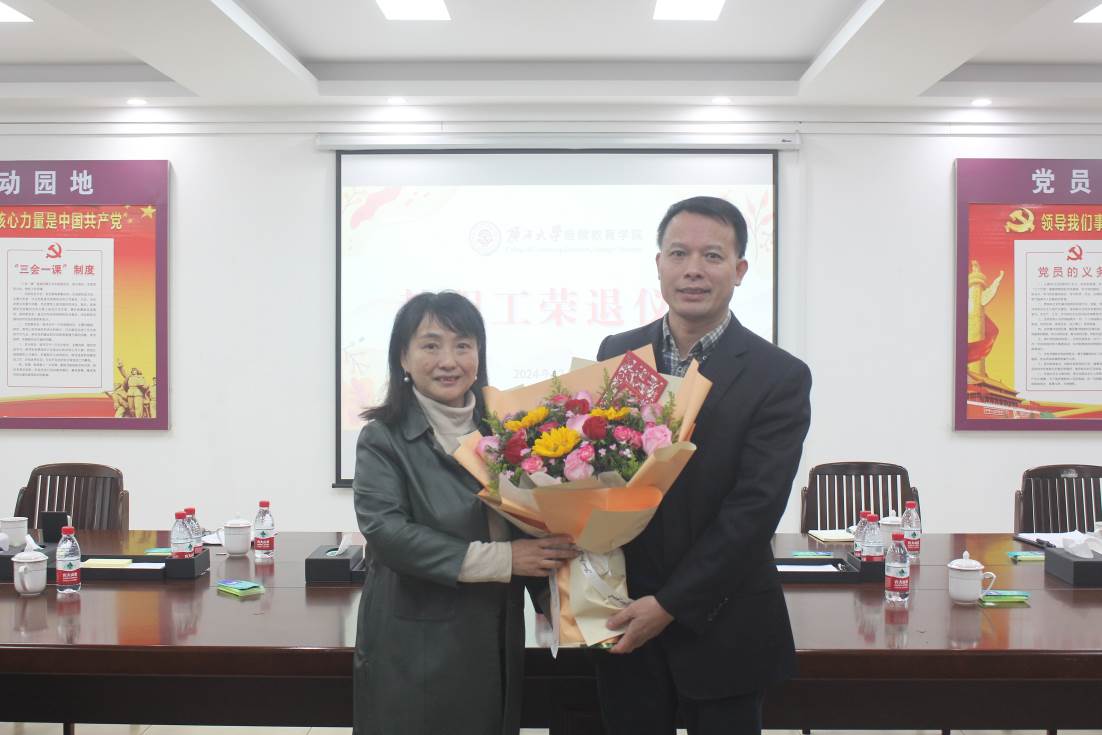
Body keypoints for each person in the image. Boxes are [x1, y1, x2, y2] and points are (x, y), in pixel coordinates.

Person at [594, 196, 812, 735]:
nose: (693, 269)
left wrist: (669, 604)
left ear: (739, 270)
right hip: (624, 617)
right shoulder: (620, 353)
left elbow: (753, 511)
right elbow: (599, 475)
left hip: (725, 625)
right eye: (678, 253)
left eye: (712, 256)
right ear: (659, 265)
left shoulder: (777, 375)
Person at [352, 291, 575, 735]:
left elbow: (526, 523)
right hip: (418, 643)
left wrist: (564, 599)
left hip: (495, 630)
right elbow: (387, 533)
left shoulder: (506, 430)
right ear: (403, 357)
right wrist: (505, 560)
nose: (448, 361)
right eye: (431, 345)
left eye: (463, 345)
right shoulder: (383, 438)